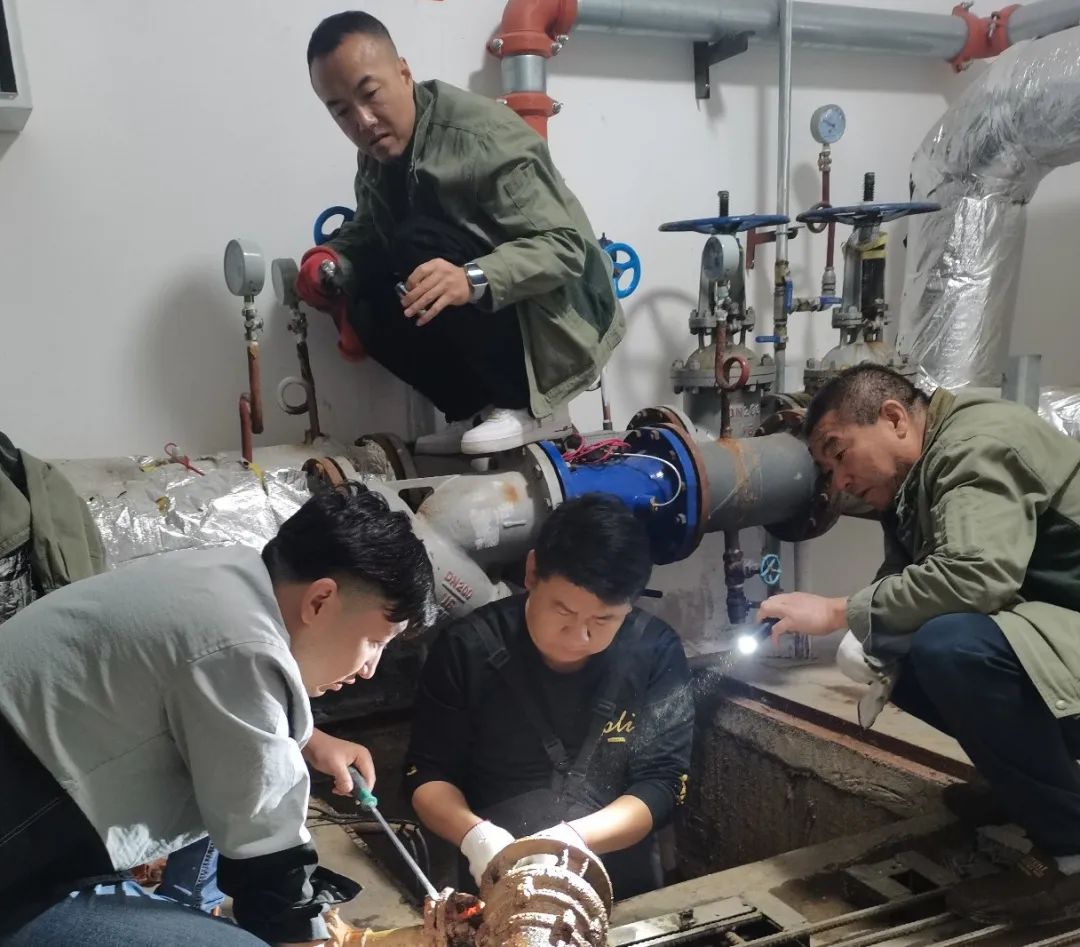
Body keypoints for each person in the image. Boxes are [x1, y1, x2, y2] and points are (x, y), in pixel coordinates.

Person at [0, 483, 436, 946]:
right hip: (20, 863)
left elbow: (206, 693)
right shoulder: (243, 649)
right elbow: (271, 862)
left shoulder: (227, 574)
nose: (369, 669)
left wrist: (307, 739)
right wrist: (305, 934)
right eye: (375, 642)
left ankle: (188, 901)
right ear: (320, 601)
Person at [758, 364, 1080, 928]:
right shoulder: (916, 481)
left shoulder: (974, 447)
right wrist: (865, 624)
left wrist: (836, 611)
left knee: (951, 649)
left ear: (893, 419)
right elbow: (908, 580)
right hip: (1058, 624)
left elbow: (977, 576)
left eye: (840, 454)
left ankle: (1070, 855)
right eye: (829, 470)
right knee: (895, 649)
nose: (840, 482)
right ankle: (1028, 785)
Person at [295, 12, 624, 456]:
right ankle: (475, 409)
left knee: (416, 243)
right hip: (505, 310)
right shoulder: (376, 154)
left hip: (563, 322)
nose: (363, 120)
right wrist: (332, 260)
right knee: (365, 291)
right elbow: (372, 229)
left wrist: (469, 279)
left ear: (404, 73)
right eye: (340, 110)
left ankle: (529, 408)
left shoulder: (483, 137)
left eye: (370, 94)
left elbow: (565, 248)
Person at [404, 495, 693, 901]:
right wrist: (476, 836)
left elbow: (663, 783)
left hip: (621, 886)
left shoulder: (655, 652)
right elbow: (427, 775)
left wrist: (573, 839)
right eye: (564, 611)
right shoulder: (466, 649)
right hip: (500, 879)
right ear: (532, 572)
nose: (580, 637)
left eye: (603, 619)